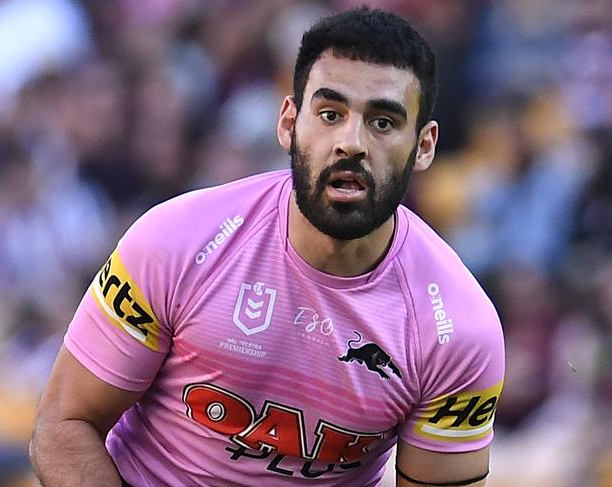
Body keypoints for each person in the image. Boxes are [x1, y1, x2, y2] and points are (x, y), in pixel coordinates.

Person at [29, 7, 504, 487]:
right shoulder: (175, 241)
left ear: (424, 147)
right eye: (330, 114)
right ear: (289, 123)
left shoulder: (459, 330)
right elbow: (65, 425)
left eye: (383, 122)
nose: (351, 143)